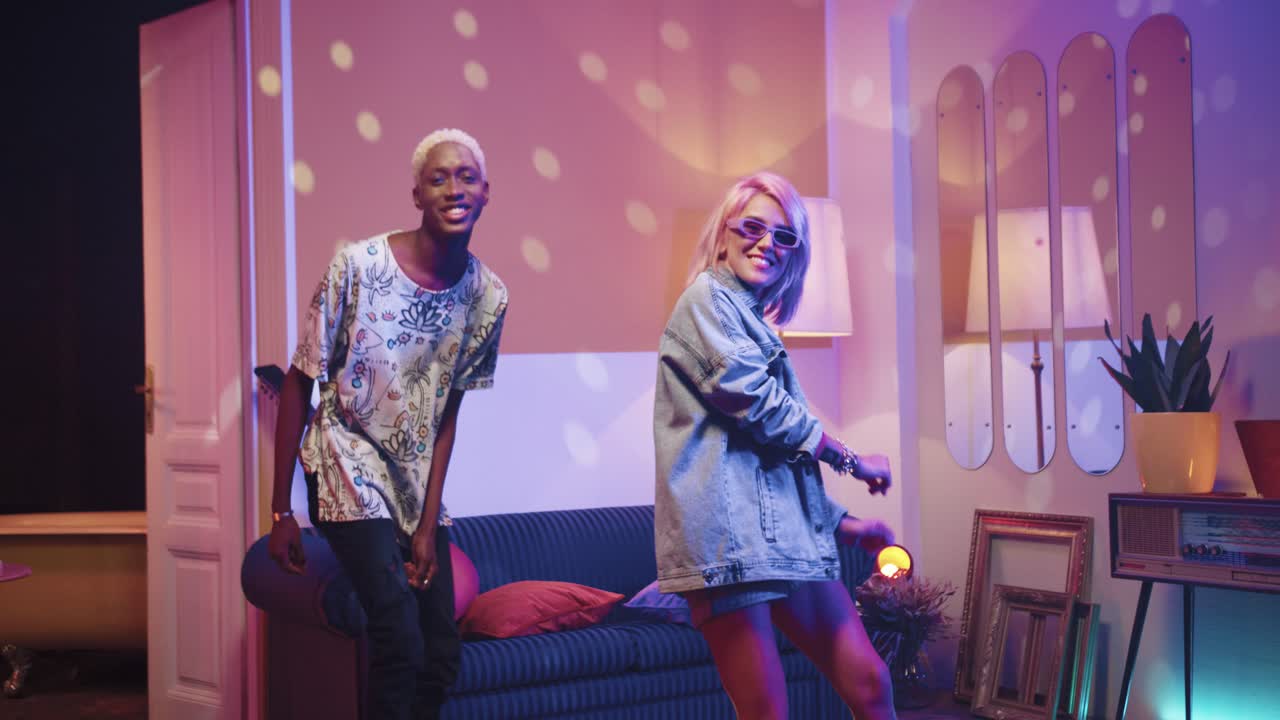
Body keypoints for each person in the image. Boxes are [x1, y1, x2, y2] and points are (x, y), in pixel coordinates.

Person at [267, 128, 507, 720]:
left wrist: (428, 525)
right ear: (417, 195)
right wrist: (280, 511)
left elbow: (448, 413)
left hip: (413, 482)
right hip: (344, 462)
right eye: (438, 178)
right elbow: (300, 378)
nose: (454, 188)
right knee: (398, 633)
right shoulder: (358, 266)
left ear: (485, 195)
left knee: (441, 652)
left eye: (466, 177)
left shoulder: (489, 297)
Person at [653, 171, 898, 719]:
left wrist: (844, 525)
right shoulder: (705, 302)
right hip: (728, 550)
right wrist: (853, 461)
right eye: (753, 227)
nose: (767, 243)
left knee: (870, 683)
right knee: (767, 711)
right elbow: (757, 407)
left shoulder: (753, 323)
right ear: (723, 235)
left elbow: (768, 462)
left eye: (785, 237)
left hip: (780, 541)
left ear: (794, 256)